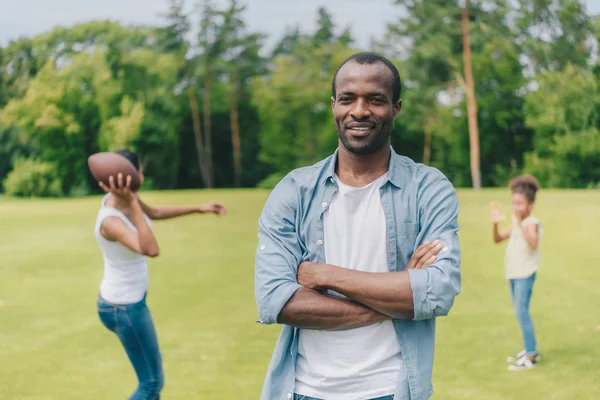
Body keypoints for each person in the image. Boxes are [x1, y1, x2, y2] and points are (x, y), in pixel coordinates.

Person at [254, 52, 461, 400]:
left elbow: (438, 290)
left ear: (396, 108)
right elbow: (276, 301)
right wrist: (398, 296)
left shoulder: (428, 188)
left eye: (375, 100)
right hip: (304, 390)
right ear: (334, 104)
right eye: (348, 98)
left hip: (390, 389)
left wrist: (327, 275)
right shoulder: (294, 191)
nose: (360, 110)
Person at [94, 149, 227, 399]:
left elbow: (154, 213)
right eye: (141, 170)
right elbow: (151, 249)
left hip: (124, 303)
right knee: (151, 383)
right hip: (123, 308)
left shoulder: (123, 201)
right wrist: (133, 202)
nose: (143, 174)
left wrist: (200, 208)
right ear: (132, 176)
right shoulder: (111, 220)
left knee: (151, 383)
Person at [490, 174, 542, 371]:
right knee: (520, 312)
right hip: (513, 273)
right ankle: (529, 348)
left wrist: (519, 222)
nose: (515, 207)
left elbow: (533, 243)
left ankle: (531, 354)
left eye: (519, 204)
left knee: (522, 312)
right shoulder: (516, 221)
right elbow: (497, 239)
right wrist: (495, 223)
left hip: (525, 274)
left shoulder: (532, 222)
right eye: (513, 203)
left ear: (530, 204)